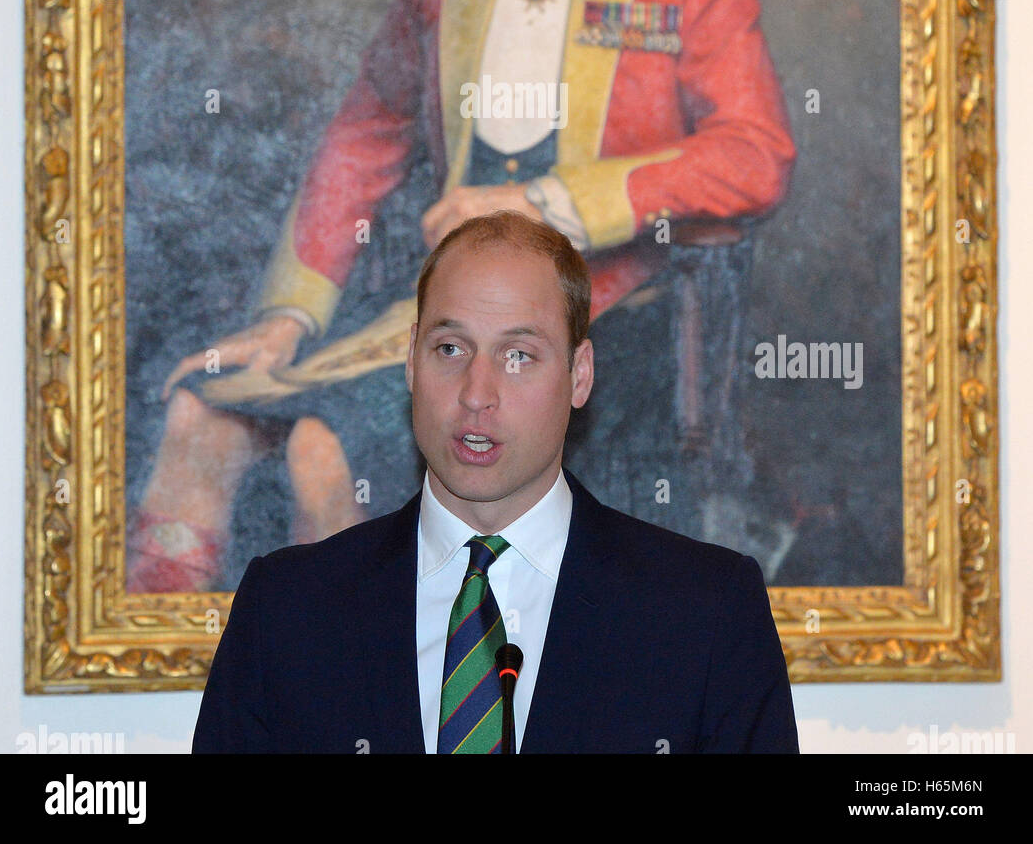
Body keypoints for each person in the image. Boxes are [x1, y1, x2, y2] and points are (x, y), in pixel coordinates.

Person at [130, 0, 795, 592]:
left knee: (322, 450)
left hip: (602, 313)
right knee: (194, 423)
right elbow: (368, 130)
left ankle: (360, 713)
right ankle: (168, 699)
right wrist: (288, 314)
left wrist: (547, 204)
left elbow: (754, 155)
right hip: (439, 308)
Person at [192, 211, 799, 754]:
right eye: (451, 348)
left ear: (579, 374)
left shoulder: (707, 611)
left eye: (518, 356)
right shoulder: (288, 608)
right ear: (409, 361)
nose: (476, 394)